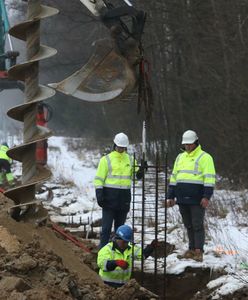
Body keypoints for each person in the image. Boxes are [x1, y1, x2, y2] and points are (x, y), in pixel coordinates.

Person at [166, 130, 215, 262]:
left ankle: (198, 251)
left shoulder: (205, 158)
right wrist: (170, 196)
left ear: (196, 143)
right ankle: (191, 249)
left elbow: (209, 179)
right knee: (188, 224)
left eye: (190, 144)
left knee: (197, 224)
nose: (187, 146)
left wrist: (206, 196)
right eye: (186, 144)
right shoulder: (180, 157)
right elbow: (174, 177)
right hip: (182, 198)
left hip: (197, 199)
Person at [94, 132, 145, 249]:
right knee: (106, 228)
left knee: (119, 229)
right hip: (109, 198)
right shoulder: (106, 160)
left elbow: (135, 178)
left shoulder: (131, 160)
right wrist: (99, 193)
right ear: (115, 145)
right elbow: (99, 179)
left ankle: (116, 252)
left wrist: (141, 171)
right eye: (119, 146)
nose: (121, 149)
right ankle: (102, 251)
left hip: (124, 199)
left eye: (123, 147)